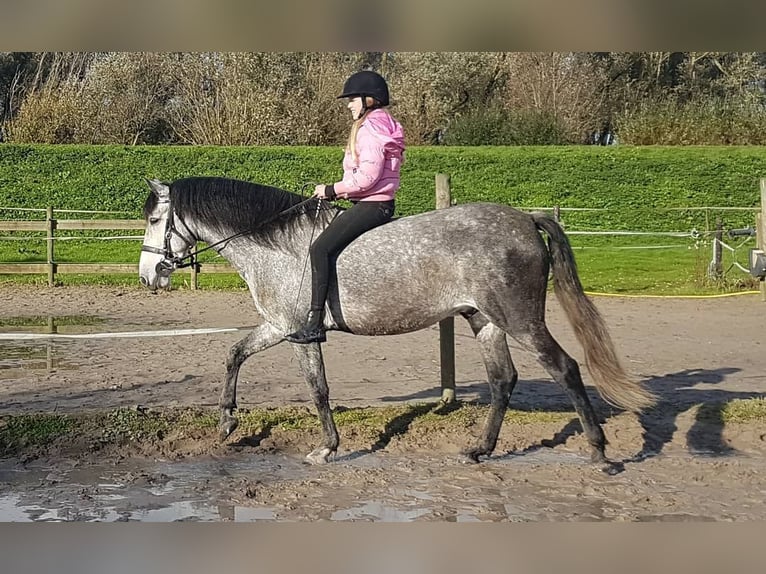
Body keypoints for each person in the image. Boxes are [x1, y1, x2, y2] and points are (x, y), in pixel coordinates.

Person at [285, 70, 405, 344]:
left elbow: (367, 177)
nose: (349, 104)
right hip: (375, 201)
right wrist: (338, 193)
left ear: (369, 100)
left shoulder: (370, 130)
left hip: (373, 204)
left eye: (352, 99)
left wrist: (331, 189)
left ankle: (315, 322)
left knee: (319, 248)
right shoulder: (383, 125)